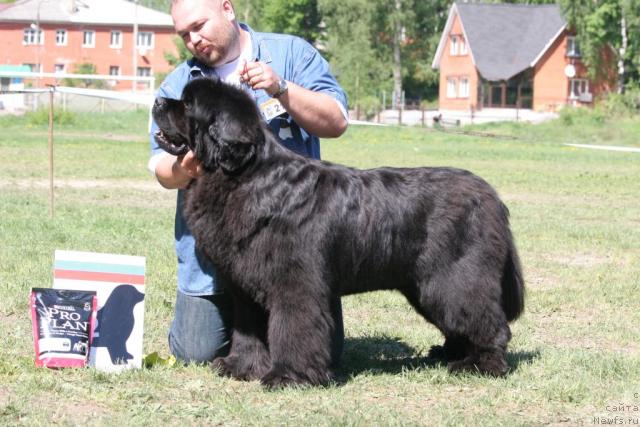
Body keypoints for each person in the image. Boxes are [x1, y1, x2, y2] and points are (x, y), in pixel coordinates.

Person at [148, 0, 349, 367]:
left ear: (227, 9)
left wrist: (281, 88)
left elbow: (336, 121)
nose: (194, 39)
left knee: (321, 353)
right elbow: (160, 168)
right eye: (184, 34)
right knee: (196, 351)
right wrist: (186, 169)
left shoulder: (291, 54)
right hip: (216, 254)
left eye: (199, 25)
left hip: (294, 241)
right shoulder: (180, 81)